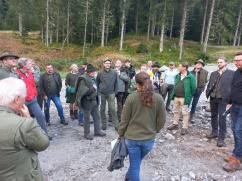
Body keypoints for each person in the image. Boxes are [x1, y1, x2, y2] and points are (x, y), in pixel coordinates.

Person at [118, 72, 166, 181]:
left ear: (137, 84)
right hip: (148, 139)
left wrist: (120, 133)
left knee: (135, 165)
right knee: (136, 163)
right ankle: (128, 177)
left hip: (132, 138)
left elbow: (124, 120)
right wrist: (156, 130)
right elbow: (162, 119)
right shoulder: (158, 98)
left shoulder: (131, 97)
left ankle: (129, 176)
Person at [0, 78, 49, 180]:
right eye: (24, 98)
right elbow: (43, 144)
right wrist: (28, 118)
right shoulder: (24, 124)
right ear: (17, 99)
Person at [16, 58, 50, 138]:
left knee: (40, 116)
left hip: (33, 100)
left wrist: (35, 94)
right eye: (29, 63)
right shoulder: (16, 74)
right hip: (23, 101)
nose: (32, 64)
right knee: (24, 120)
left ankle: (44, 135)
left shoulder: (30, 73)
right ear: (24, 65)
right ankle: (25, 138)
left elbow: (33, 84)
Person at [206, 56, 234, 147]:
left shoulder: (231, 73)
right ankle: (214, 132)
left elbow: (234, 87)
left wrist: (231, 100)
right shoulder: (214, 73)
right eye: (218, 62)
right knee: (213, 115)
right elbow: (210, 84)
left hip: (224, 99)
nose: (219, 64)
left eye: (221, 62)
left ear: (226, 63)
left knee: (222, 118)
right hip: (213, 98)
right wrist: (208, 93)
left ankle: (221, 138)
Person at [75, 64, 106, 140]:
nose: (93, 72)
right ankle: (87, 134)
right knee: (87, 118)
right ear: (87, 72)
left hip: (94, 100)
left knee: (96, 116)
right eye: (91, 71)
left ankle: (97, 131)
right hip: (87, 102)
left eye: (93, 71)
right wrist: (92, 89)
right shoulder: (83, 79)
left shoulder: (92, 78)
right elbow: (82, 92)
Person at [223, 51, 242, 171]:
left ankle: (236, 158)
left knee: (239, 131)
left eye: (238, 60)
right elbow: (234, 88)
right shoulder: (237, 72)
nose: (235, 63)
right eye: (234, 60)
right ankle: (238, 153)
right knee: (235, 130)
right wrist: (229, 102)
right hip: (235, 105)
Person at [167, 62, 196, 135]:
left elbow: (193, 88)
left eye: (179, 66)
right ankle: (175, 124)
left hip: (184, 98)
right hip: (176, 96)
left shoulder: (190, 77)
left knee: (185, 113)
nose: (178, 67)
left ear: (184, 68)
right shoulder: (177, 75)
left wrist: (188, 95)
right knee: (175, 111)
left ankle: (184, 127)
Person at [96, 58, 119, 131]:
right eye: (106, 63)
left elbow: (116, 83)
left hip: (111, 93)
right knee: (102, 109)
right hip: (102, 93)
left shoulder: (114, 72)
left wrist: (115, 92)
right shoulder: (100, 73)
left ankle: (117, 125)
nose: (107, 64)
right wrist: (98, 92)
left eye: (109, 63)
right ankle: (103, 124)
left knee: (112, 108)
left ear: (110, 64)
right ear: (103, 64)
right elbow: (97, 82)